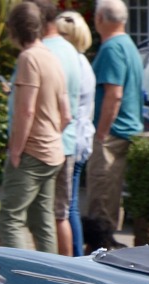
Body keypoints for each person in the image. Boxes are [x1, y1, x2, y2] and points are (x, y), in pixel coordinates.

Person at [0, 1, 70, 254]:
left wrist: (16, 151)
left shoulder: (29, 58)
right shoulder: (52, 57)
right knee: (42, 221)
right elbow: (66, 114)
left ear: (14, 29)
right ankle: (49, 282)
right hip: (53, 152)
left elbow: (25, 111)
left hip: (32, 153)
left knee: (9, 219)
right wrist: (51, 134)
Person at [86, 0, 142, 231]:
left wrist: (101, 133)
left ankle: (102, 253)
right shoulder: (128, 44)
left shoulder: (112, 48)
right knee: (111, 197)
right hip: (125, 129)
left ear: (99, 19)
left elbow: (114, 94)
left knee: (102, 199)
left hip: (113, 133)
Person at [36, 0, 83, 256]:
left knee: (44, 216)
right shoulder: (71, 52)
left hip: (44, 144)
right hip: (66, 141)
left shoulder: (41, 51)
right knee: (60, 214)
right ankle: (67, 272)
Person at [55, 10, 95, 255]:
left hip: (71, 141)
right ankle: (75, 257)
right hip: (81, 140)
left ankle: (74, 260)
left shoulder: (70, 64)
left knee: (66, 208)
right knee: (71, 206)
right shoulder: (83, 63)